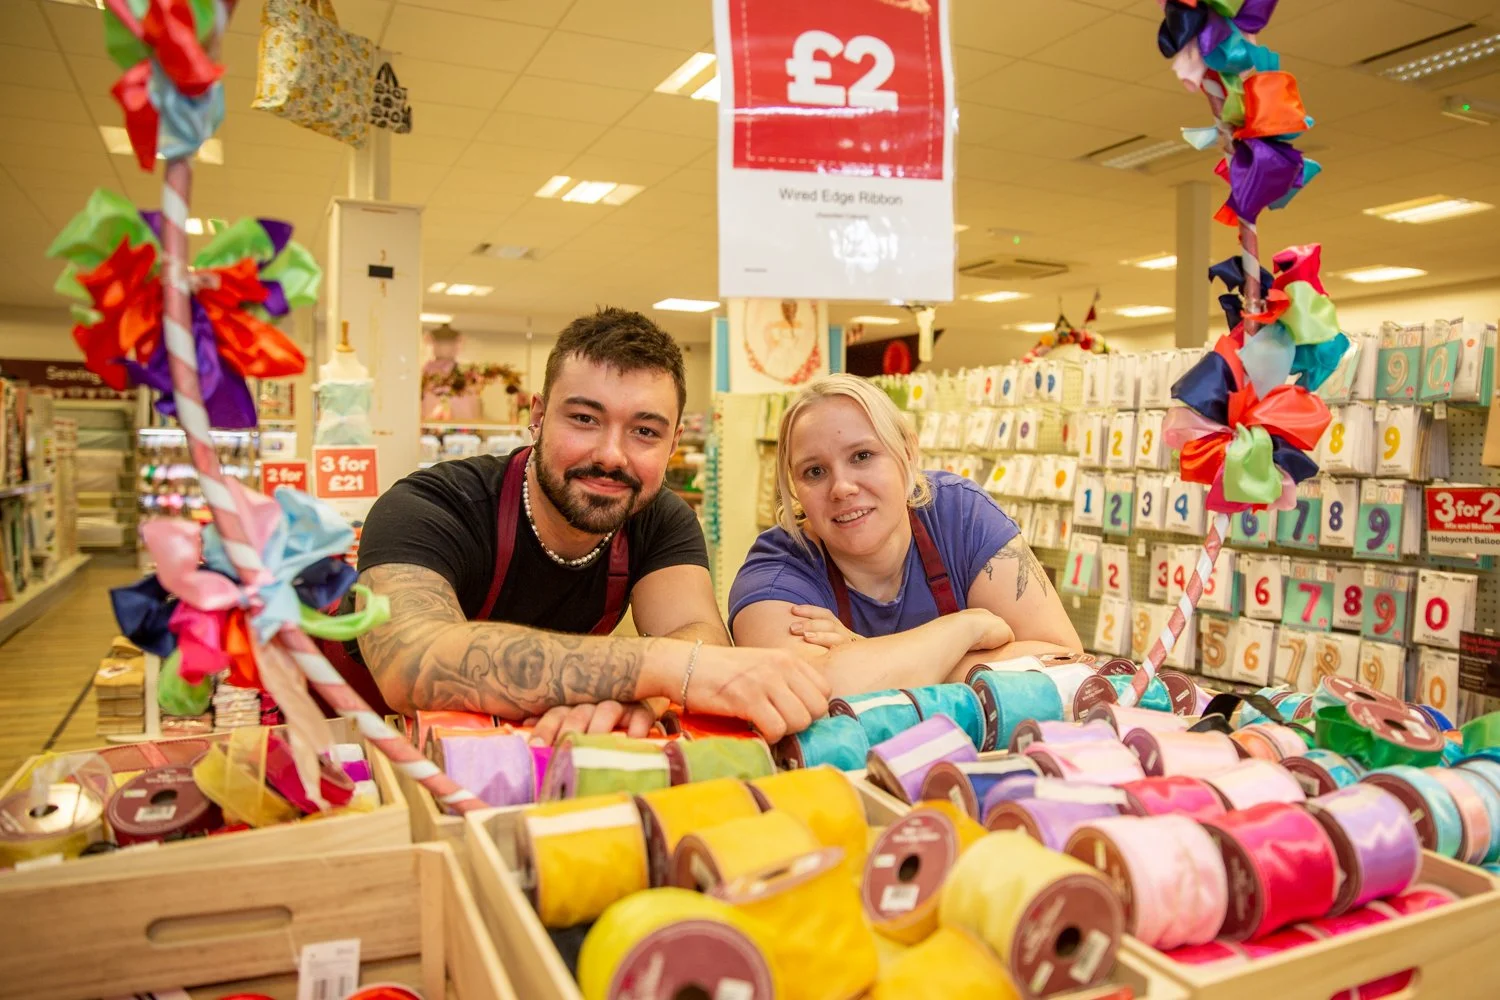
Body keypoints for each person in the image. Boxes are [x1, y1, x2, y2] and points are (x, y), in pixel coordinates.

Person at [342, 308, 830, 744]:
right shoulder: (433, 507)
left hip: (533, 760)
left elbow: (695, 629)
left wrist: (632, 689)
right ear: (537, 416)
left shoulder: (658, 517)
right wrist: (657, 670)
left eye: (645, 431)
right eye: (584, 418)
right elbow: (410, 660)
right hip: (372, 759)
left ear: (674, 442)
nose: (611, 455)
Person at [728, 373, 1083, 696]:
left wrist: (861, 651)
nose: (842, 487)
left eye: (862, 455)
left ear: (908, 452)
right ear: (794, 486)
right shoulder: (777, 574)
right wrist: (965, 628)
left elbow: (1065, 661)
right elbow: (814, 690)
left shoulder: (960, 515)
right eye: (815, 471)